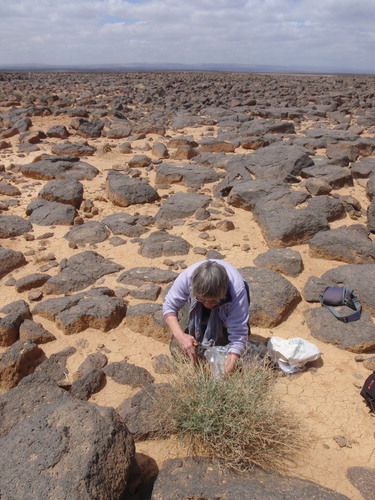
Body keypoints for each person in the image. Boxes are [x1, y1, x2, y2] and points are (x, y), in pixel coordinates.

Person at [163, 260, 250, 375]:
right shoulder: (187, 278)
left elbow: (238, 334)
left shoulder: (237, 290)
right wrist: (181, 336)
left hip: (225, 304)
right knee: (179, 350)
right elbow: (169, 307)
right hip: (195, 304)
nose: (208, 305)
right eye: (203, 300)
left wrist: (230, 362)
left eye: (212, 301)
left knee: (226, 352)